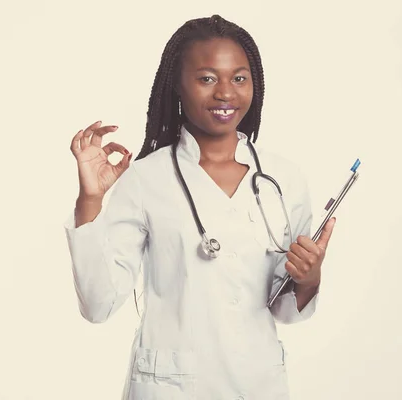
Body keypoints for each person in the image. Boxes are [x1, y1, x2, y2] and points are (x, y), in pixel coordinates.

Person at [64, 14, 336, 400]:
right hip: (169, 387)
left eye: (239, 78)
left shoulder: (284, 180)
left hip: (256, 382)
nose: (225, 92)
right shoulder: (145, 179)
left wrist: (309, 279)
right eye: (207, 78)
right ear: (176, 84)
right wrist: (90, 200)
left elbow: (286, 311)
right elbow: (98, 305)